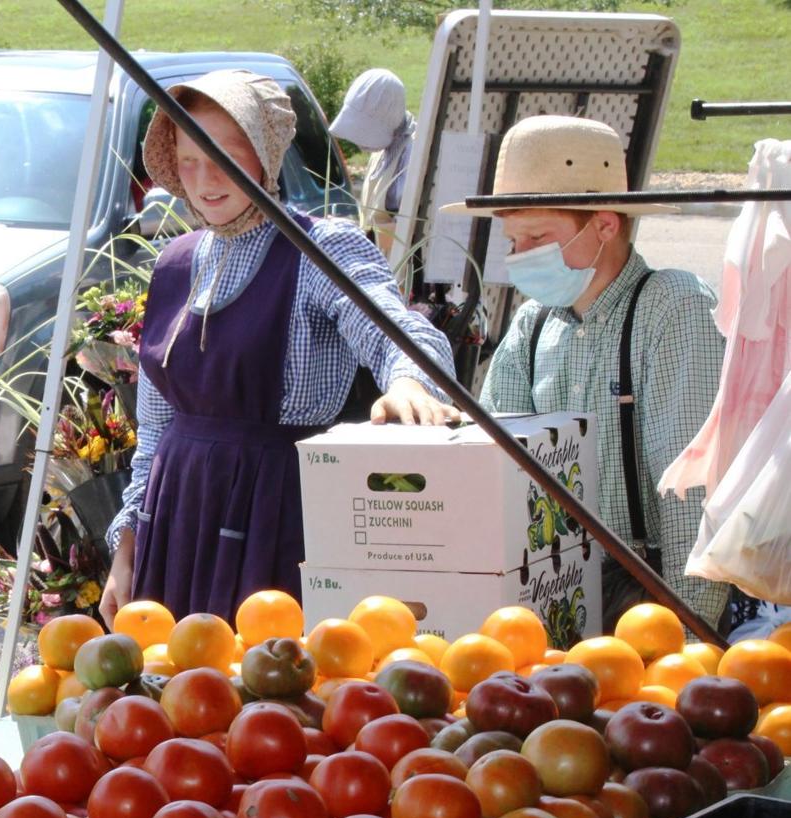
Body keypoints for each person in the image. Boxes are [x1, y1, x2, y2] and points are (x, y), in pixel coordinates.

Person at [99, 69, 458, 628]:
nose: (205, 178)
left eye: (224, 154)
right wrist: (127, 545)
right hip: (176, 516)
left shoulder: (317, 249)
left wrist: (409, 378)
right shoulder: (173, 265)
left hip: (274, 514)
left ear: (266, 154)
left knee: (266, 691)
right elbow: (153, 433)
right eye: (189, 160)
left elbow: (390, 325)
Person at [444, 115, 729, 631]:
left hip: (654, 598)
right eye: (513, 241)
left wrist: (691, 636)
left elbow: (693, 490)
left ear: (605, 224)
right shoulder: (532, 324)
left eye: (537, 237)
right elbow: (496, 469)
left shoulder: (673, 308)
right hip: (548, 595)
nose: (519, 257)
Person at [330, 69, 416, 254]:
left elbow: (409, 223)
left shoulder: (412, 153)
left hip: (397, 264)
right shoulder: (379, 153)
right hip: (372, 258)